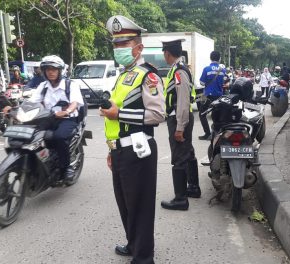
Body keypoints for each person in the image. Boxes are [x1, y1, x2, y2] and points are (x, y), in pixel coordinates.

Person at [101, 15, 165, 264]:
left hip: (139, 150)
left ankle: (143, 257)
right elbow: (115, 121)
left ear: (139, 48)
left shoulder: (148, 76)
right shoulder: (124, 75)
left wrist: (119, 113)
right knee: (126, 204)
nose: (118, 50)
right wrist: (111, 149)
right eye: (116, 45)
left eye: (123, 45)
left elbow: (158, 114)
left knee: (140, 206)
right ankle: (133, 244)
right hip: (120, 151)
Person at [160, 37, 201, 211]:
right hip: (181, 117)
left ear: (168, 53)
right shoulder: (178, 70)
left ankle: (180, 199)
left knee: (179, 158)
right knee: (188, 152)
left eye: (164, 53)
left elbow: (183, 101)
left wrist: (179, 127)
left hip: (179, 118)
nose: (164, 55)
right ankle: (193, 187)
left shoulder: (179, 72)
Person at [29, 55, 84, 183]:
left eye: (54, 69)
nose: (51, 72)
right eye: (48, 69)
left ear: (60, 71)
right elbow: (32, 102)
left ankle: (66, 168)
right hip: (48, 118)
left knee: (58, 137)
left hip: (68, 119)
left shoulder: (71, 85)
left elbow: (75, 102)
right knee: (31, 135)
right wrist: (16, 109)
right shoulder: (43, 86)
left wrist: (66, 111)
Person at [198, 51, 226, 140]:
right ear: (219, 59)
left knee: (202, 114)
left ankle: (207, 133)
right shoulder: (223, 70)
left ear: (210, 58)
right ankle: (216, 133)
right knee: (216, 114)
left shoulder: (207, 69)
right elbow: (224, 81)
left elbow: (202, 83)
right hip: (219, 96)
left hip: (208, 96)